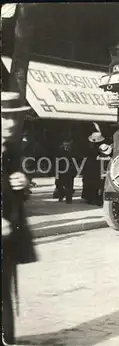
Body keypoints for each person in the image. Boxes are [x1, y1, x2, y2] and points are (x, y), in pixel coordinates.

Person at [2, 92, 38, 344]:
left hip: (8, 235)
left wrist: (24, 183)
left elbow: (18, 187)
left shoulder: (13, 148)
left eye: (15, 117)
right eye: (4, 117)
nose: (11, 123)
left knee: (5, 291)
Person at [82, 131, 105, 205]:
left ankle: (90, 197)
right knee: (97, 183)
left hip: (91, 166)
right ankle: (96, 198)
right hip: (96, 166)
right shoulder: (101, 147)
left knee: (90, 182)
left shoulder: (90, 146)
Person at [56, 139, 77, 204]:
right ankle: (61, 195)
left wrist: (75, 171)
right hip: (61, 170)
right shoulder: (59, 152)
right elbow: (57, 161)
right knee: (59, 184)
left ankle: (69, 199)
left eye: (68, 145)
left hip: (70, 171)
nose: (66, 146)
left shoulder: (73, 152)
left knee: (69, 185)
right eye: (65, 145)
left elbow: (76, 161)